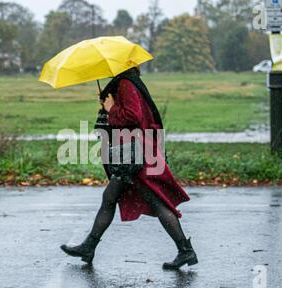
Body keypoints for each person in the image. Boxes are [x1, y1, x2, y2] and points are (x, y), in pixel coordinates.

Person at [61, 67, 197, 270]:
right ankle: (89, 247)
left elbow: (132, 117)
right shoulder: (126, 83)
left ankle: (185, 251)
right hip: (134, 153)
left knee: (156, 202)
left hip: (135, 156)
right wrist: (111, 104)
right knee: (110, 198)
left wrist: (110, 108)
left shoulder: (126, 83)